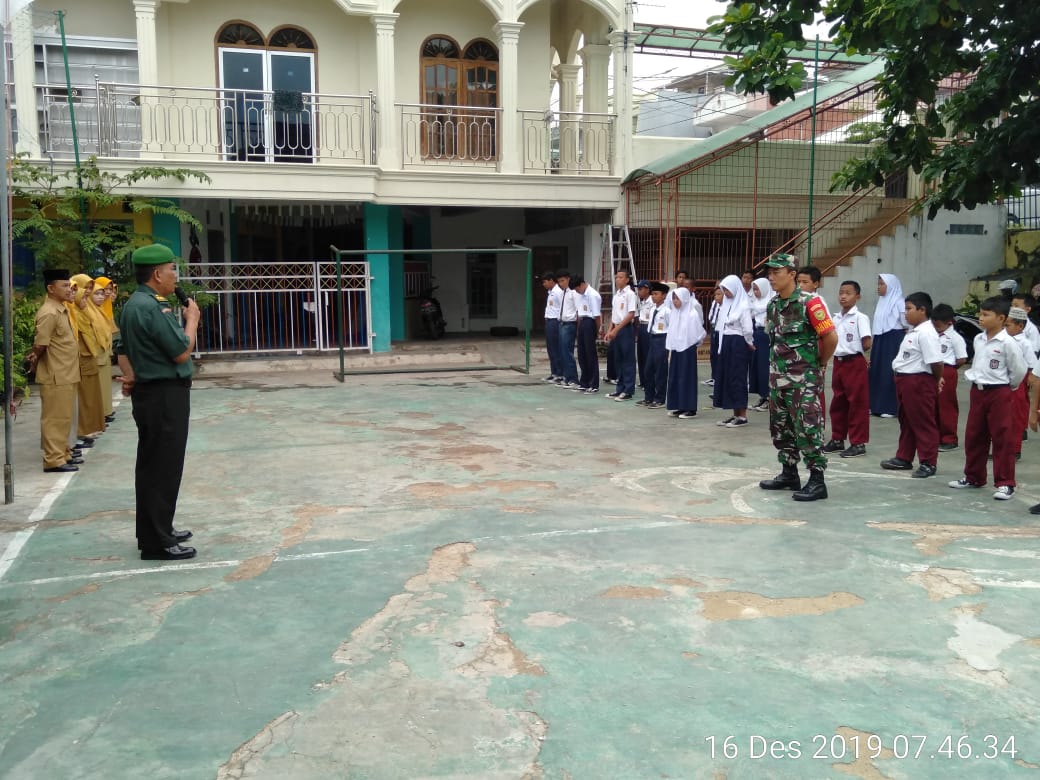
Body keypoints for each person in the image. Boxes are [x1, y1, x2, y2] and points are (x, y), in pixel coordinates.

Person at [116, 243, 201, 561]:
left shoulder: (133, 304)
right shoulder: (154, 307)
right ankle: (157, 541)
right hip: (165, 393)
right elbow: (181, 351)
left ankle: (156, 529)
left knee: (153, 464)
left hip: (150, 392)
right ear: (156, 274)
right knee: (163, 466)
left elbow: (122, 348)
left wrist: (130, 377)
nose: (175, 276)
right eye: (171, 269)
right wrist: (191, 320)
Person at [758, 253, 837, 501]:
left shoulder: (810, 303)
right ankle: (789, 472)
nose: (771, 277)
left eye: (776, 272)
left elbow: (831, 338)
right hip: (777, 380)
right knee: (781, 428)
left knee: (807, 427)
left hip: (803, 380)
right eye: (769, 273)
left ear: (792, 274)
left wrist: (819, 364)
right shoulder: (773, 305)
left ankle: (817, 480)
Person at [950, 297, 1027, 500]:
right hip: (978, 390)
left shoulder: (1008, 343)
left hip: (999, 392)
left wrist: (1007, 387)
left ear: (1001, 318)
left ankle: (1005, 483)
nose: (980, 318)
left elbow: (1018, 370)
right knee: (975, 435)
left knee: (1002, 437)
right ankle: (974, 476)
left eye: (986, 314)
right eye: (980, 314)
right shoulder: (979, 339)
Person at [880, 292, 944, 478]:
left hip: (919, 381)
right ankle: (904, 457)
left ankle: (928, 462)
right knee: (906, 420)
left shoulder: (926, 333)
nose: (905, 313)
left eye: (909, 309)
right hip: (904, 380)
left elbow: (936, 362)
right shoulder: (914, 330)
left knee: (923, 422)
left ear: (922, 310)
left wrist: (937, 379)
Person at [28, 269, 82, 473]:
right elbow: (40, 344)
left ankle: (64, 453)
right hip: (56, 374)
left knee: (65, 417)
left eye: (69, 285)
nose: (70, 290)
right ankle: (53, 459)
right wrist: (34, 363)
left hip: (66, 372)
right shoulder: (49, 312)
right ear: (51, 289)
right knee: (54, 419)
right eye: (65, 286)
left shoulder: (61, 308)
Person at [823, 280, 872, 458]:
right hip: (838, 362)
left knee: (857, 403)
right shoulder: (835, 318)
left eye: (848, 293)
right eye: (841, 292)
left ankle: (858, 442)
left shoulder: (860, 318)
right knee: (838, 401)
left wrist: (856, 354)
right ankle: (837, 439)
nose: (843, 296)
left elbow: (866, 342)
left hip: (854, 362)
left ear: (857, 296)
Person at [712, 274, 755, 428]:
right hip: (726, 342)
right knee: (728, 377)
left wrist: (749, 342)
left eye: (728, 290)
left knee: (737, 377)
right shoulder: (727, 304)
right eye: (724, 290)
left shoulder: (743, 305)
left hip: (738, 342)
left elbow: (747, 328)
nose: (726, 293)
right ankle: (735, 413)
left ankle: (742, 415)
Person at [70, 274, 108, 442]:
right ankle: (82, 430)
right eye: (85, 294)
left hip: (90, 356)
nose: (88, 297)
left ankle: (89, 427)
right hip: (80, 359)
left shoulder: (85, 310)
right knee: (83, 398)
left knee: (91, 396)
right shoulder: (73, 312)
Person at [931, 303, 968, 452]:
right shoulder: (932, 334)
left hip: (947, 370)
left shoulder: (955, 338)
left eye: (939, 326)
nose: (936, 328)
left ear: (949, 323)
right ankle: (935, 436)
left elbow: (961, 359)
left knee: (946, 406)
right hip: (932, 370)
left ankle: (949, 439)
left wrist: (949, 370)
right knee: (932, 405)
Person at [869, 273, 906, 417]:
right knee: (876, 370)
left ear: (890, 286)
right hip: (880, 339)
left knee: (888, 371)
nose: (878, 287)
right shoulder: (882, 301)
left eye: (881, 284)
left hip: (893, 339)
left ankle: (889, 407)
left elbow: (905, 322)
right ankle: (875, 405)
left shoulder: (899, 301)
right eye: (878, 284)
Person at [665, 286, 706, 418]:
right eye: (673, 298)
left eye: (678, 298)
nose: (675, 301)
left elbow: (700, 333)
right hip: (677, 349)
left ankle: (690, 408)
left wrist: (692, 344)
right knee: (676, 377)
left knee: (686, 378)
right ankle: (678, 405)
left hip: (687, 349)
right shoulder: (674, 313)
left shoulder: (692, 314)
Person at [1004, 306, 1036, 461]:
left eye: (1008, 325)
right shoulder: (1004, 338)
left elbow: (1031, 365)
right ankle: (1003, 448)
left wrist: (1028, 383)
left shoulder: (1025, 343)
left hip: (1019, 378)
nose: (1005, 328)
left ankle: (1015, 449)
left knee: (1016, 415)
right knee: (1003, 416)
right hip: (1004, 378)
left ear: (1020, 326)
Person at [605, 268, 638, 401]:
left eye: (620, 277)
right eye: (616, 277)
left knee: (627, 360)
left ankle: (628, 390)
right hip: (616, 329)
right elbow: (614, 315)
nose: (618, 279)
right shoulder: (617, 295)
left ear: (627, 279)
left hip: (625, 329)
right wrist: (609, 330)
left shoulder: (630, 294)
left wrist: (616, 329)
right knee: (618, 359)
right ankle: (620, 388)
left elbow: (631, 314)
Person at [637, 282, 671, 409]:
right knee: (648, 369)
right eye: (653, 294)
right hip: (652, 338)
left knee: (660, 370)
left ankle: (660, 399)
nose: (654, 296)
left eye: (657, 294)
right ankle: (648, 397)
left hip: (662, 339)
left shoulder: (667, 311)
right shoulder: (653, 309)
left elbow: (670, 327)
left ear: (664, 296)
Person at [94, 276, 119, 423]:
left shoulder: (106, 308)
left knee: (105, 384)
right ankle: (100, 413)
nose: (110, 293)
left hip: (104, 351)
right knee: (98, 386)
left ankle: (105, 411)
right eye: (107, 290)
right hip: (96, 353)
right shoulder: (94, 309)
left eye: (112, 290)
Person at [571, 275, 602, 394]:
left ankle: (594, 384)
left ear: (581, 285)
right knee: (582, 354)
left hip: (590, 323)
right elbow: (580, 313)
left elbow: (597, 316)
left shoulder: (592, 295)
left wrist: (596, 331)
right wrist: (579, 329)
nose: (577, 292)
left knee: (590, 355)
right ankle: (584, 382)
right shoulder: (581, 295)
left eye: (577, 289)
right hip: (583, 322)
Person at [748, 278, 773, 412]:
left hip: (766, 335)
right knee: (757, 367)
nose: (756, 292)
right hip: (757, 334)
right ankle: (762, 395)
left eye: (758, 289)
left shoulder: (771, 302)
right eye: (754, 289)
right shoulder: (755, 303)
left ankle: (769, 397)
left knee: (765, 367)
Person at [555, 269, 580, 389]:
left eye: (563, 281)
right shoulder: (562, 292)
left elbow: (578, 309)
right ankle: (567, 377)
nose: (561, 283)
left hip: (569, 324)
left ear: (568, 279)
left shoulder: (573, 293)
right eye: (559, 281)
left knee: (568, 352)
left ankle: (573, 379)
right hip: (562, 323)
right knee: (562, 352)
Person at [539, 271, 563, 383]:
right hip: (549, 321)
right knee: (551, 348)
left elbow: (562, 307)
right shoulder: (550, 292)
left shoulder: (558, 292)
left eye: (545, 282)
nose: (543, 284)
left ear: (551, 281)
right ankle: (554, 373)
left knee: (555, 348)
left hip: (555, 321)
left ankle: (559, 373)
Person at [635, 280, 653, 388]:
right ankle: (642, 381)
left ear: (647, 289)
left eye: (641, 289)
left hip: (648, 327)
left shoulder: (652, 302)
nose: (639, 291)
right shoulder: (642, 301)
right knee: (640, 355)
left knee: (647, 355)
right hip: (641, 326)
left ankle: (648, 381)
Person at [1010, 292, 1040, 357]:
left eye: (1016, 306)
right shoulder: (1006, 322)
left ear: (1027, 309)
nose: (1012, 308)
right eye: (1011, 305)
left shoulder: (1032, 329)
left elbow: (1034, 351)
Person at [704, 286, 722, 387]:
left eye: (719, 294)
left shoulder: (726, 305)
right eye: (715, 294)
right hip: (714, 327)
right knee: (713, 354)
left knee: (719, 354)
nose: (716, 296)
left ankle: (719, 378)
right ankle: (714, 377)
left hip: (721, 330)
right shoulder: (715, 303)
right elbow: (711, 314)